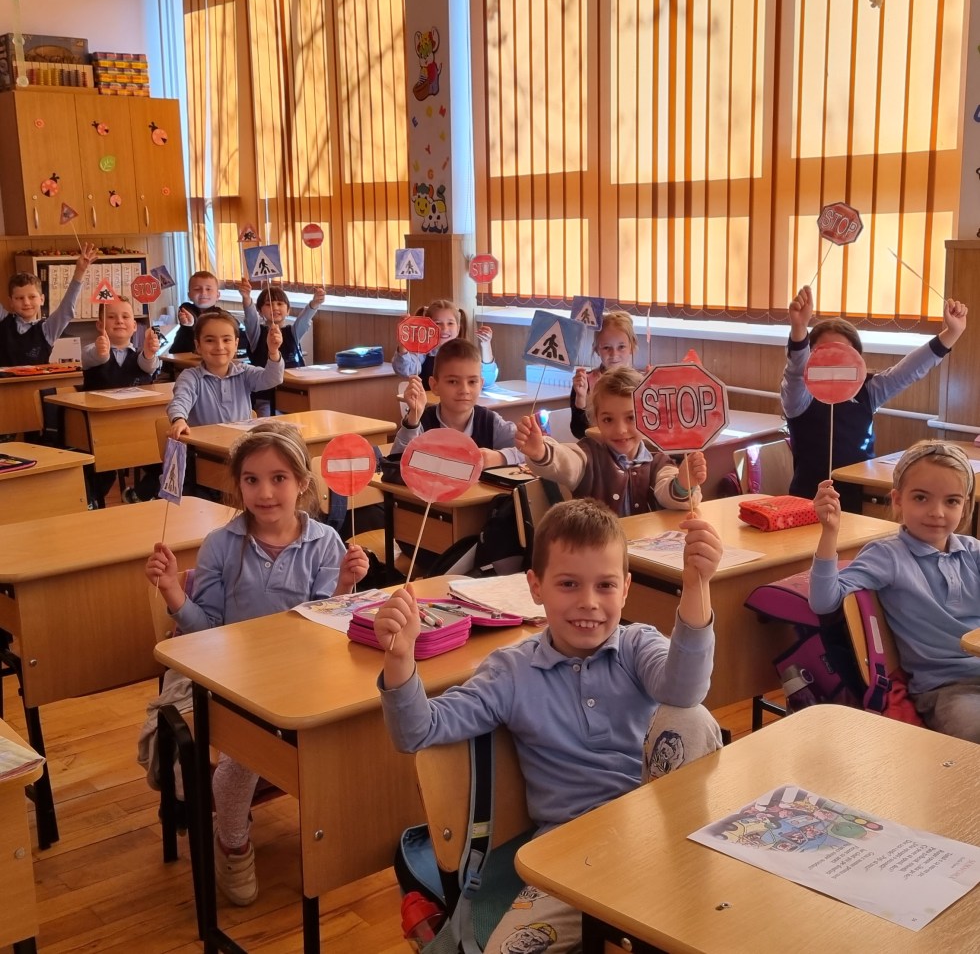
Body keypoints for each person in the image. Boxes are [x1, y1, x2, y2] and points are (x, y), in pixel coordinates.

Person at [373, 497, 723, 952]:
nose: (588, 603)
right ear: (535, 586)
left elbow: (685, 691)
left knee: (689, 716)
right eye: (568, 584)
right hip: (570, 857)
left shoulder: (637, 644)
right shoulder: (511, 672)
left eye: (605, 585)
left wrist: (696, 585)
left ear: (626, 588)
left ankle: (679, 889)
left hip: (657, 836)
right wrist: (401, 658)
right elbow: (417, 732)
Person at [144, 421, 369, 905]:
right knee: (245, 750)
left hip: (303, 675)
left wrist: (344, 588)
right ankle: (233, 842)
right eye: (251, 480)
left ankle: (343, 828)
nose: (265, 493)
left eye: (279, 478)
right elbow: (204, 632)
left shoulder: (326, 543)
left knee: (358, 727)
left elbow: (326, 628)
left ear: (303, 483)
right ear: (238, 484)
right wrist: (173, 591)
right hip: (229, 676)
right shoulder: (221, 544)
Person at [809, 440, 980, 744]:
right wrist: (830, 532)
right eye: (921, 498)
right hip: (947, 688)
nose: (937, 512)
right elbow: (824, 602)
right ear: (898, 500)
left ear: (965, 505)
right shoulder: (887, 555)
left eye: (952, 501)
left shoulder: (973, 552)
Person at [782, 285, 967, 510]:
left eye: (842, 353)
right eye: (824, 352)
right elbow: (795, 372)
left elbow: (907, 371)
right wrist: (799, 328)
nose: (833, 361)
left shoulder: (869, 391)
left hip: (861, 500)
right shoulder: (799, 398)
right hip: (809, 503)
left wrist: (952, 333)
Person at [516, 366, 706, 516]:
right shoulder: (588, 456)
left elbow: (667, 494)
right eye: (608, 419)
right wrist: (541, 451)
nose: (620, 430)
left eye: (631, 418)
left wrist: (683, 483)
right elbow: (565, 460)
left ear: (649, 418)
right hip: (596, 552)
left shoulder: (658, 463)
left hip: (645, 551)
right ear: (596, 420)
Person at [392, 337, 523, 468]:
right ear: (435, 386)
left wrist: (500, 457)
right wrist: (413, 420)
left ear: (481, 384)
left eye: (472, 382)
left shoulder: (489, 421)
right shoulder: (422, 422)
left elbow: (528, 451)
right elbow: (394, 465)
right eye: (453, 381)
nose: (464, 390)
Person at [81, 297, 163, 504]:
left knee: (164, 461)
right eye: (111, 317)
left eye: (125, 317)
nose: (119, 321)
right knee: (102, 471)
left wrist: (149, 352)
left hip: (140, 427)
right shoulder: (91, 350)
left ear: (135, 326)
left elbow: (148, 365)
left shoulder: (141, 355)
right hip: (102, 430)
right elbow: (96, 357)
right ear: (100, 325)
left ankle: (139, 495)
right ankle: (90, 501)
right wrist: (101, 350)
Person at [166, 310, 285, 438]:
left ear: (236, 344)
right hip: (207, 446)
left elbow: (273, 378)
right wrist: (179, 419)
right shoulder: (191, 377)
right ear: (198, 345)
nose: (219, 347)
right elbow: (180, 401)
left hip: (242, 444)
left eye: (226, 340)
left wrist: (273, 352)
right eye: (210, 340)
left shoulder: (244, 372)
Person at [0, 243, 98, 366]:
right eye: (19, 298)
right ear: (11, 302)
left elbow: (66, 309)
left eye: (32, 297)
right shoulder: (3, 320)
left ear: (42, 299)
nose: (26, 302)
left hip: (38, 379)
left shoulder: (47, 329)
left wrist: (80, 271)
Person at [237, 279, 325, 414]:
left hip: (295, 394)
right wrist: (247, 298)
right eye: (268, 304)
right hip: (266, 399)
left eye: (279, 304)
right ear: (260, 311)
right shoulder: (257, 334)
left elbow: (304, 320)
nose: (275, 308)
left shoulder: (293, 332)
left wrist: (315, 303)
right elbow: (250, 319)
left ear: (288, 310)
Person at [392, 297, 499, 390]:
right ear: (427, 326)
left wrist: (486, 344)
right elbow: (406, 371)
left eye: (450, 323)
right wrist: (403, 344)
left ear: (458, 328)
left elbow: (487, 381)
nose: (444, 328)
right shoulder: (422, 352)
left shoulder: (465, 353)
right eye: (438, 323)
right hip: (429, 405)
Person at [569, 309, 640, 439]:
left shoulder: (641, 382)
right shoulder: (585, 383)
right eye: (607, 347)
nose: (614, 354)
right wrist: (581, 399)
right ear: (597, 349)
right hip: (597, 449)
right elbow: (578, 432)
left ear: (632, 346)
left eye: (621, 347)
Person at [167, 270, 249, 358]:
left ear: (217, 295)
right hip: (182, 360)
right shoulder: (186, 309)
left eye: (208, 289)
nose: (203, 293)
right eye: (197, 289)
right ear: (189, 295)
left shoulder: (223, 316)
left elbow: (240, 335)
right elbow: (191, 317)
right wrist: (190, 325)